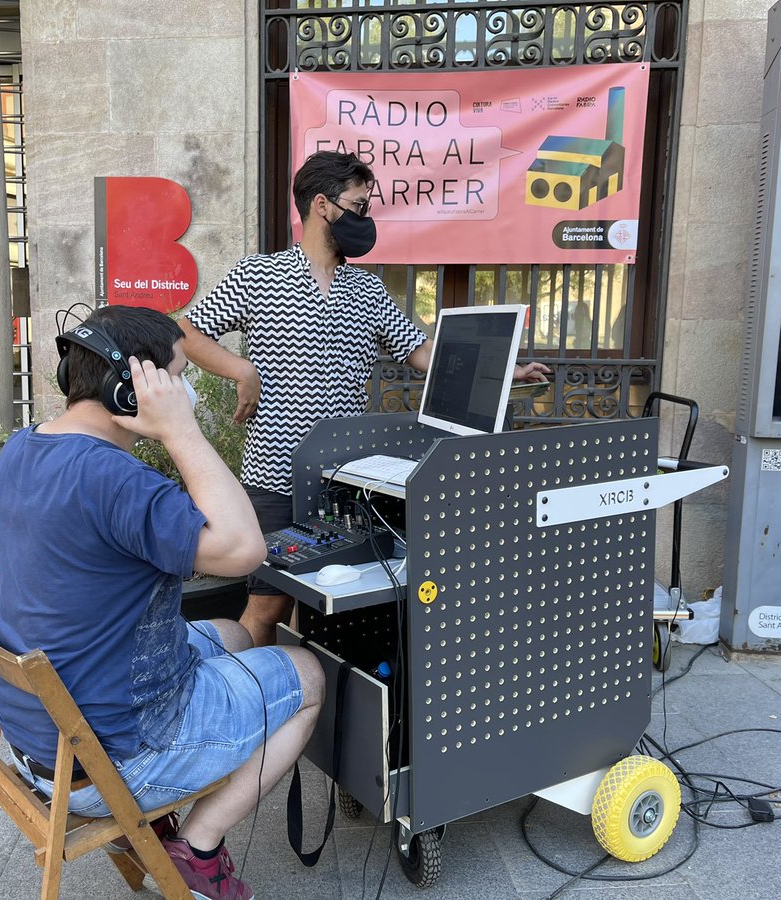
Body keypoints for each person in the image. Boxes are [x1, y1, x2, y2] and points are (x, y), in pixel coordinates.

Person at [0, 305, 324, 900]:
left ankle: (171, 806)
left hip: (38, 743)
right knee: (307, 675)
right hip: (114, 757)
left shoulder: (24, 447)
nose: (186, 391)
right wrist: (181, 431)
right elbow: (244, 549)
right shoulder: (117, 480)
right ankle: (198, 848)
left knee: (236, 633)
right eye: (177, 376)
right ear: (132, 389)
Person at [181, 150, 551, 646]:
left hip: (340, 481)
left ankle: (313, 701)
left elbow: (420, 351)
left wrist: (503, 369)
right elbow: (186, 333)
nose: (365, 217)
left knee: (328, 611)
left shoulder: (369, 291)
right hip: (274, 476)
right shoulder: (257, 275)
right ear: (321, 206)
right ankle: (247, 704)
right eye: (358, 205)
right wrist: (239, 368)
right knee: (266, 606)